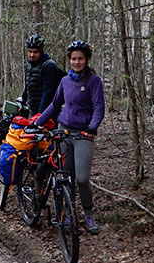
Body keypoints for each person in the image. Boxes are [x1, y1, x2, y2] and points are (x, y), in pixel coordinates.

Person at [33, 40, 105, 234]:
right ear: (69, 60)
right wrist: (37, 123)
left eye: (80, 58)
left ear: (87, 59)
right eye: (73, 59)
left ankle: (88, 215)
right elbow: (55, 105)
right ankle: (67, 213)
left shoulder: (93, 81)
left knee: (81, 178)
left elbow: (98, 107)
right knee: (65, 176)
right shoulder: (65, 81)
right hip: (63, 131)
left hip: (83, 134)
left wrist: (92, 127)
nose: (76, 62)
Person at [21, 34, 63, 116]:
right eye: (30, 51)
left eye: (35, 52)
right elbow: (28, 86)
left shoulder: (49, 66)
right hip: (32, 109)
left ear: (41, 51)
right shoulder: (29, 65)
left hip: (48, 112)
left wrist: (40, 114)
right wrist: (22, 101)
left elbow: (48, 92)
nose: (32, 55)